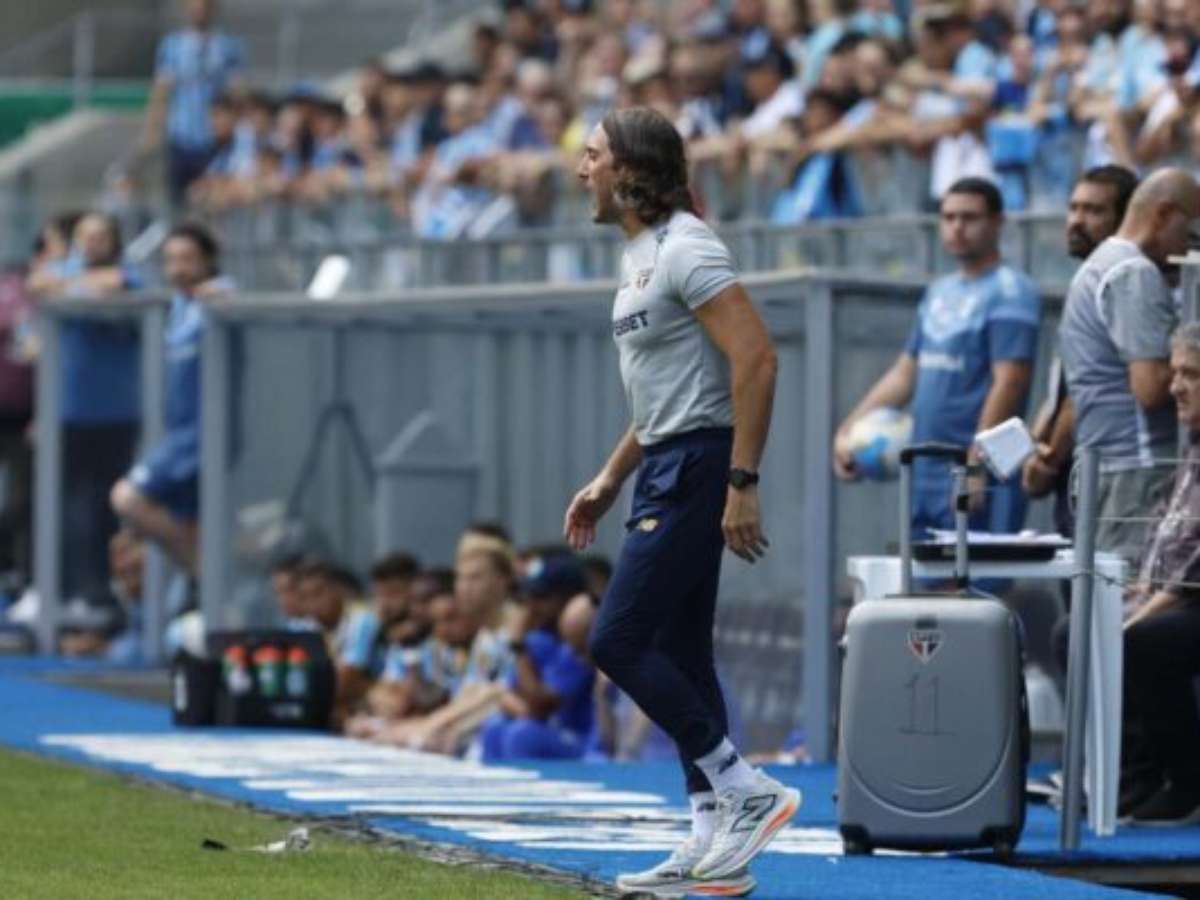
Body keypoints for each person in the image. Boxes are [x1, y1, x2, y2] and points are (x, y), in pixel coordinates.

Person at [567, 106, 795, 899]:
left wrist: (742, 482)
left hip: (698, 467)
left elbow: (756, 359)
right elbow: (665, 395)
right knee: (684, 654)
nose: (580, 170)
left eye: (592, 155)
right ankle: (709, 843)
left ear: (630, 169)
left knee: (617, 639)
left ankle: (744, 788)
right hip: (668, 462)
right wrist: (610, 477)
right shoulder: (641, 256)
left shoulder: (687, 247)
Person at [834, 178, 1042, 538]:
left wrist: (976, 465)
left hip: (975, 469)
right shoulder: (939, 291)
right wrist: (848, 430)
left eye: (969, 217)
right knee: (923, 571)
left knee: (975, 572)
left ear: (997, 222)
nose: (957, 227)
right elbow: (905, 373)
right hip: (924, 469)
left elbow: (1010, 382)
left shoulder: (1011, 292)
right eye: (948, 217)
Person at [1059, 168, 1200, 565]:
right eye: (1189, 230)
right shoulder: (1132, 272)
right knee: (1130, 592)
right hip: (1138, 470)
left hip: (1110, 466)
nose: (1190, 244)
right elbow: (1151, 386)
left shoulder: (1102, 264)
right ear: (1164, 214)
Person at [1023, 165, 1138, 536]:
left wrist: (1049, 460)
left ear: (1124, 218)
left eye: (1094, 210)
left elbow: (1087, 387)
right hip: (1072, 474)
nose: (1077, 220)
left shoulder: (1124, 281)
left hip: (1103, 470)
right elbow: (1062, 385)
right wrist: (1037, 445)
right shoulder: (1084, 281)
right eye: (1073, 208)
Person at [111, 223, 232, 576]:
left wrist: (220, 295)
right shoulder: (178, 306)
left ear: (208, 260)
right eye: (171, 260)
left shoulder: (218, 298)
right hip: (176, 432)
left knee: (127, 498)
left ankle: (210, 569)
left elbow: (227, 295)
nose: (178, 269)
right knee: (187, 521)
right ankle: (206, 579)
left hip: (201, 434)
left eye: (187, 259)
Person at [1119, 323, 1200, 825]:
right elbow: (1161, 531)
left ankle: (1188, 783)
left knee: (1141, 640)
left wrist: (1137, 614)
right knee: (1074, 631)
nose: (1175, 387)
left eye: (1190, 375)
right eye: (1174, 373)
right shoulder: (1193, 448)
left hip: (1191, 600)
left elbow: (1192, 572)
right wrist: (1134, 591)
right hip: (1179, 597)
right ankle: (1135, 778)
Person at [479, 556, 596, 761]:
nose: (531, 606)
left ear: (569, 598)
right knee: (495, 727)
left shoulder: (582, 644)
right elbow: (507, 695)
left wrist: (518, 646)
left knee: (523, 736)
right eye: (530, 596)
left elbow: (539, 706)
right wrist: (523, 709)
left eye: (542, 597)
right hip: (550, 730)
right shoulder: (540, 639)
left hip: (580, 739)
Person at [138, 0, 245, 206]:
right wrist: (151, 131)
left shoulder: (227, 46)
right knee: (177, 198)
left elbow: (237, 90)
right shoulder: (172, 45)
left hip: (214, 137)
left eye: (204, 7)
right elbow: (161, 91)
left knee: (211, 198)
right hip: (181, 134)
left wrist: (238, 127)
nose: (199, 12)